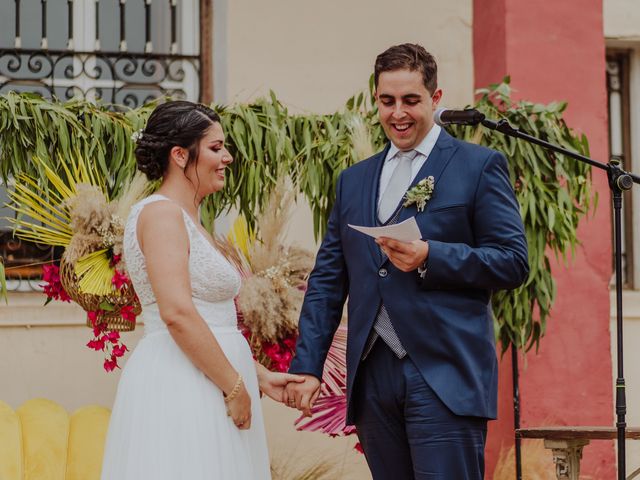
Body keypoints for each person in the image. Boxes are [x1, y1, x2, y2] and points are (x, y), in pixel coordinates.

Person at [285, 44, 529, 479]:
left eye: (411, 101)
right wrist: (307, 366)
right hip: (372, 373)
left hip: (443, 372)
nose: (398, 113)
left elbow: (511, 261)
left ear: (436, 99)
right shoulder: (353, 180)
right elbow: (327, 281)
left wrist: (432, 255)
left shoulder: (478, 166)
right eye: (387, 101)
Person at [101, 100, 304, 480]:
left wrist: (258, 376)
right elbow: (177, 312)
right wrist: (234, 386)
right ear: (180, 155)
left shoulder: (190, 218)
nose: (226, 157)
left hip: (210, 379)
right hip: (184, 384)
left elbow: (211, 318)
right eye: (215, 147)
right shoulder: (161, 215)